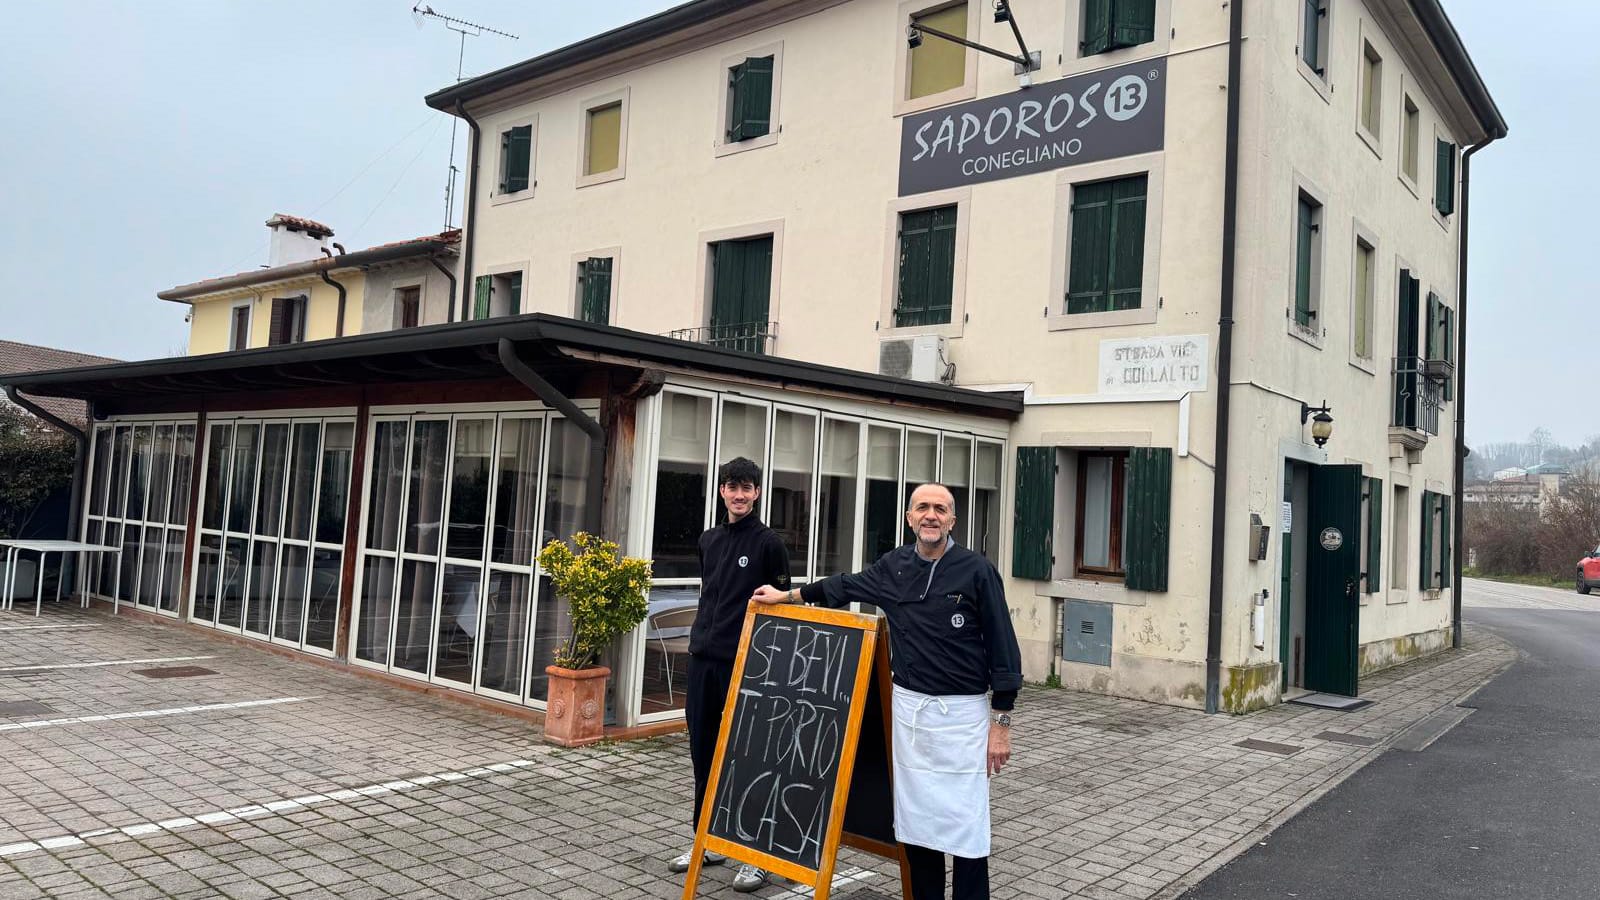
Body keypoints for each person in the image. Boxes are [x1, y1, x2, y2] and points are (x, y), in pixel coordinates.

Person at [751, 482, 1020, 900]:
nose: (931, 516)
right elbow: (843, 586)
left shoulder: (977, 571)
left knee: (967, 829)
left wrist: (1000, 723)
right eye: (922, 508)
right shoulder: (893, 566)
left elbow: (1004, 648)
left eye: (940, 509)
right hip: (909, 717)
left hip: (962, 719)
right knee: (917, 827)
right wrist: (787, 595)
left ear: (952, 520)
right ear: (910, 518)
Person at [668, 456, 791, 893]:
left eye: (747, 488)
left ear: (757, 493)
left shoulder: (768, 544)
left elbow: (781, 607)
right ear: (722, 491)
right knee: (704, 755)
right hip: (702, 662)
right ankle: (706, 842)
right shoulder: (709, 540)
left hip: (747, 668)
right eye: (731, 487)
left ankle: (754, 856)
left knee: (748, 757)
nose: (739, 495)